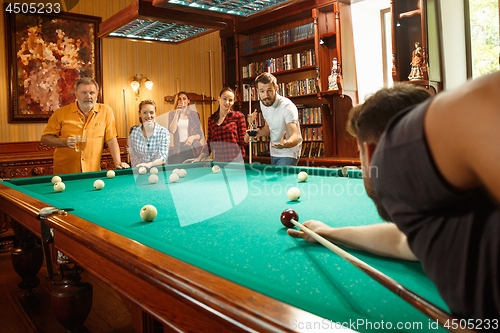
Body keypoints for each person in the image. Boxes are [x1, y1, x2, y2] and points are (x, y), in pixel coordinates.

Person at [288, 73, 500, 322]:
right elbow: (403, 242)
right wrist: (330, 232)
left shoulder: (390, 156)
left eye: (359, 155)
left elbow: (487, 96)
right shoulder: (442, 210)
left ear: (370, 151)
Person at [41, 77, 129, 175]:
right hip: (65, 173)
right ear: (76, 94)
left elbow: (111, 139)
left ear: (97, 94)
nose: (88, 96)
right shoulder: (60, 113)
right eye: (84, 93)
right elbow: (45, 138)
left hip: (92, 173)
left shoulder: (106, 111)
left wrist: (118, 162)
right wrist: (64, 142)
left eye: (92, 93)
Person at [186, 87, 249, 163]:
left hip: (236, 161)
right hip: (219, 162)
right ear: (219, 98)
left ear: (233, 102)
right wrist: (199, 158)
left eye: (230, 100)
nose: (227, 102)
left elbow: (244, 141)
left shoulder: (239, 116)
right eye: (224, 99)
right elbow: (209, 143)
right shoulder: (211, 119)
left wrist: (250, 128)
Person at [251, 73, 302, 166]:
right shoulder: (263, 103)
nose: (266, 95)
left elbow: (295, 136)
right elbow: (268, 129)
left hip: (288, 153)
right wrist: (253, 133)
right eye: (262, 91)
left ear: (276, 88)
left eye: (269, 90)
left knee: (282, 180)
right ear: (257, 91)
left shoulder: (287, 107)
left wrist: (286, 143)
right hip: (274, 152)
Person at [128, 100, 169, 168]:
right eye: (145, 112)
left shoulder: (163, 132)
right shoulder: (134, 132)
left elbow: (163, 158)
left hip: (158, 171)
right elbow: (133, 154)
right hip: (139, 171)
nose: (148, 116)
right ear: (139, 114)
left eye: (151, 112)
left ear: (155, 113)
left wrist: (150, 164)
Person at [167, 92, 204, 164]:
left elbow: (200, 134)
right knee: (177, 170)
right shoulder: (172, 114)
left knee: (194, 171)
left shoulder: (194, 114)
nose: (182, 101)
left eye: (184, 99)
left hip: (193, 148)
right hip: (178, 149)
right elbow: (172, 130)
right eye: (179, 99)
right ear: (177, 102)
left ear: (188, 101)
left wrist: (192, 137)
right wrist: (177, 113)